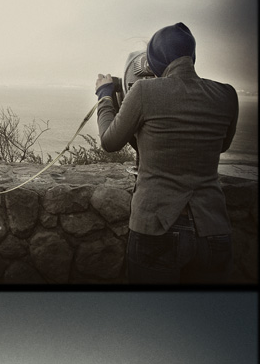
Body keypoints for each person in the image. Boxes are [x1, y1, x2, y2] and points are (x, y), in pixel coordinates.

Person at [95, 22, 239, 283]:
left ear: (153, 61)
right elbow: (222, 145)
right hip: (212, 227)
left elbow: (110, 141)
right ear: (192, 56)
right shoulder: (227, 95)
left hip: (156, 226)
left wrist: (105, 96)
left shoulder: (143, 91)